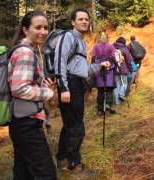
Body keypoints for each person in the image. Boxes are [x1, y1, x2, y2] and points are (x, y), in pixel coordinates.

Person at [54, 8, 110, 172]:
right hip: (69, 85)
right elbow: (60, 63)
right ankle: (74, 162)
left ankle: (62, 157)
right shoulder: (68, 37)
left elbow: (83, 69)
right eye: (80, 19)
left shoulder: (81, 41)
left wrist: (100, 66)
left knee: (69, 124)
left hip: (76, 84)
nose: (84, 21)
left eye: (86, 19)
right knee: (77, 126)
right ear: (73, 22)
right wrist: (63, 88)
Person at [8, 11, 57, 180]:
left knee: (23, 174)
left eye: (46, 27)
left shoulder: (26, 51)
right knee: (46, 174)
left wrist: (41, 86)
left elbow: (24, 85)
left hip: (19, 121)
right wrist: (47, 92)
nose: (43, 31)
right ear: (25, 30)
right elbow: (20, 89)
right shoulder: (26, 53)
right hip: (27, 123)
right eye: (38, 27)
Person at [92, 32, 117, 115]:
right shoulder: (111, 46)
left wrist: (94, 68)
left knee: (101, 90)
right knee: (109, 89)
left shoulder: (95, 46)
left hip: (99, 68)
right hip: (108, 68)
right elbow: (113, 57)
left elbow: (93, 58)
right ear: (107, 38)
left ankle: (100, 109)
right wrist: (115, 65)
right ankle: (108, 105)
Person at [113, 37, 133, 105]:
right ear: (124, 42)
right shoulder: (125, 49)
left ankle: (117, 102)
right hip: (123, 70)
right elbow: (129, 60)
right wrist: (130, 69)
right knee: (124, 84)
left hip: (115, 69)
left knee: (117, 85)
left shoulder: (112, 48)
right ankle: (121, 95)